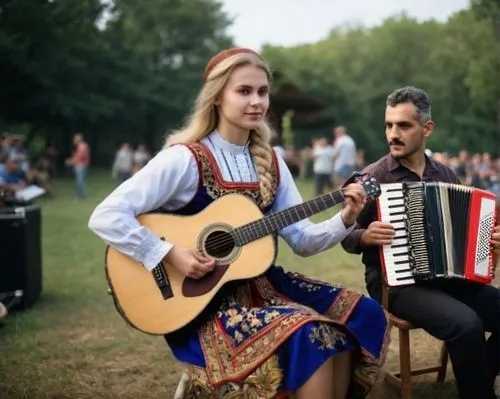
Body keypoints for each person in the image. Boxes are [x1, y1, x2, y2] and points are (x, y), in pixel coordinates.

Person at [88, 48, 389, 399]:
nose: (256, 101)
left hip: (264, 286)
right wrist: (169, 253)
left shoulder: (272, 161)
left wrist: (345, 218)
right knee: (311, 334)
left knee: (361, 314)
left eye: (262, 92)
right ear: (217, 97)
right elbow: (106, 215)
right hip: (203, 302)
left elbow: (303, 240)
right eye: (243, 91)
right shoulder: (185, 159)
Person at [341, 86, 500, 399]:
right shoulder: (373, 178)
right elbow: (344, 234)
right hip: (396, 284)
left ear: (426, 129)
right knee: (466, 324)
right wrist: (364, 235)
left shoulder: (445, 174)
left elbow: (467, 232)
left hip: (449, 279)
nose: (393, 134)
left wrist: (489, 241)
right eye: (389, 125)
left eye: (404, 125)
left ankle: (479, 381)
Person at [65, 133, 90, 200]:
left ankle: (80, 197)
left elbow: (80, 156)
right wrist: (72, 160)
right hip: (81, 166)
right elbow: (78, 156)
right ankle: (81, 196)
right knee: (80, 182)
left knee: (79, 182)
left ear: (78, 140)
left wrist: (70, 161)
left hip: (81, 166)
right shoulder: (81, 146)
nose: (74, 140)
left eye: (75, 139)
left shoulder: (82, 146)